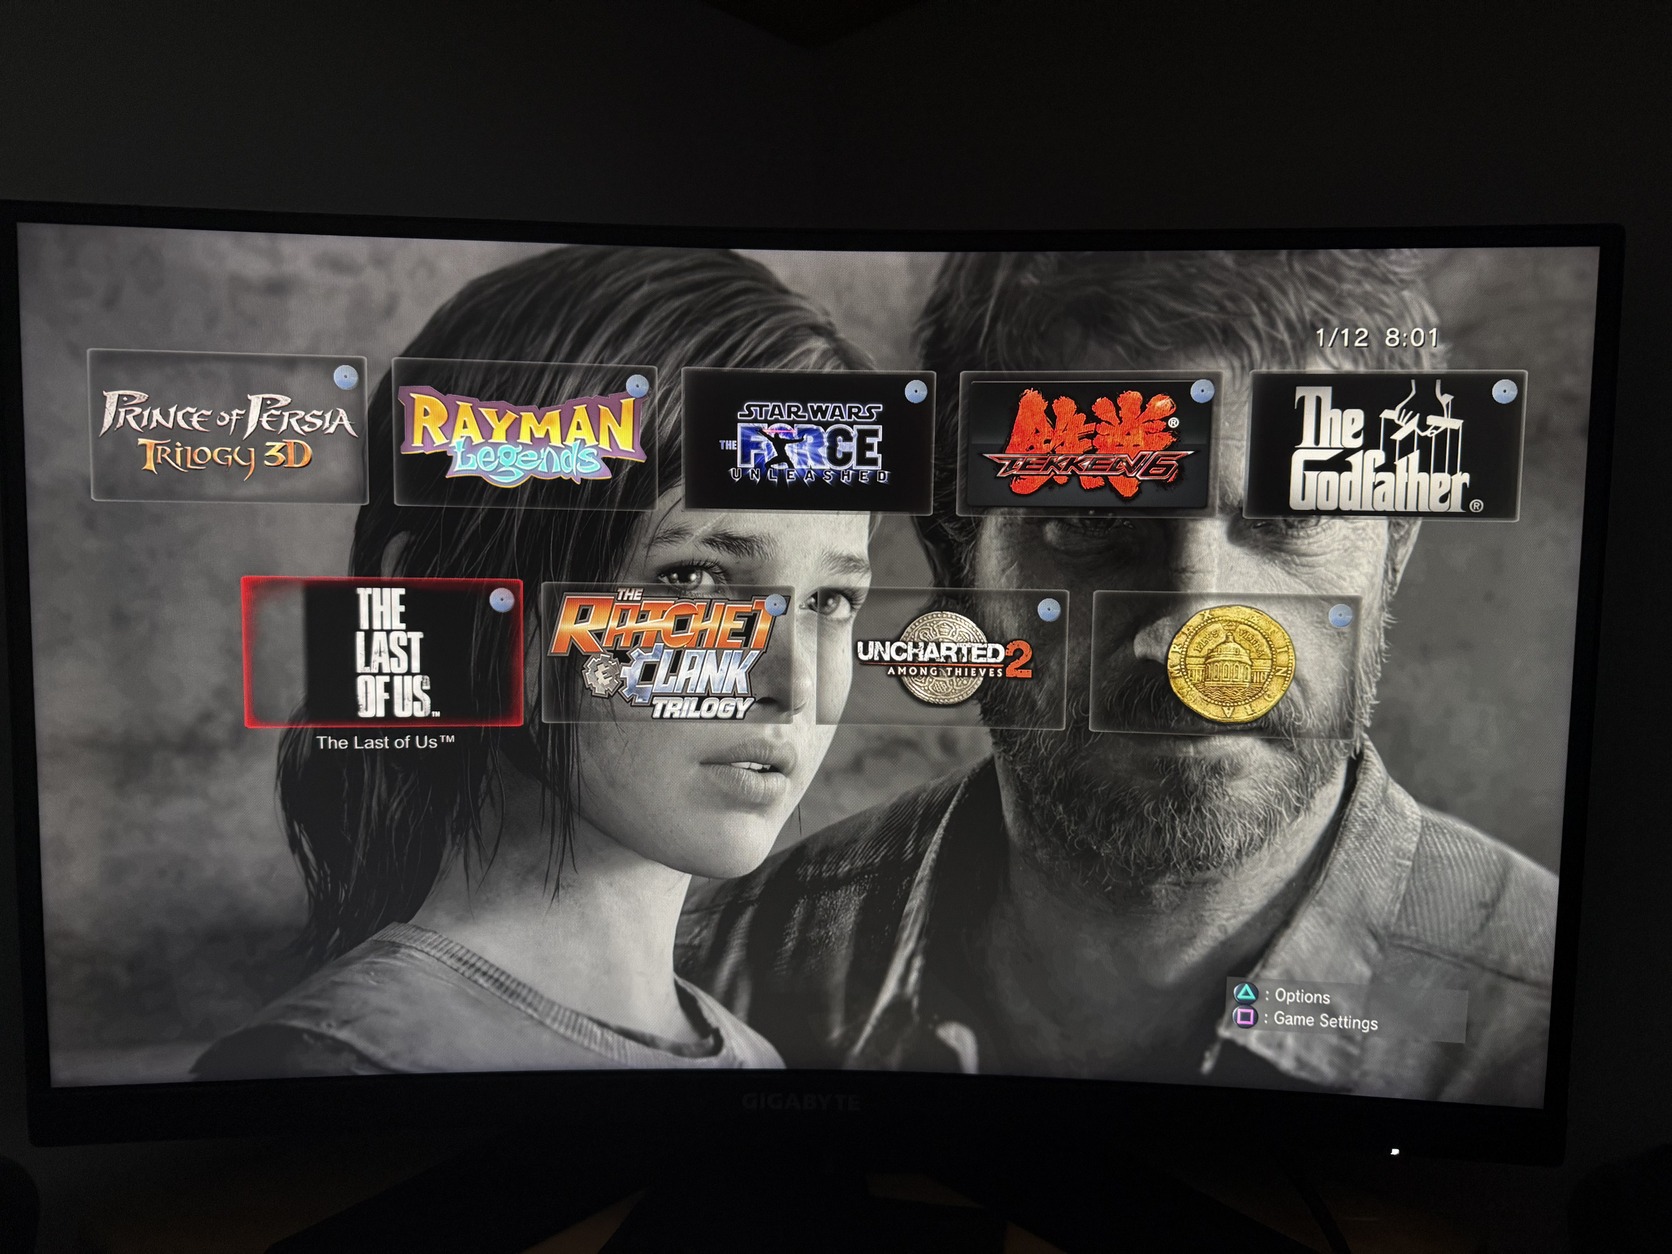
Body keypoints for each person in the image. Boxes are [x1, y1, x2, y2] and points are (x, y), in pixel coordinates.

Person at [678, 250, 1557, 1106]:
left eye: (1289, 518)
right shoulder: (712, 976)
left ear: (1394, 548)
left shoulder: (1538, 1021)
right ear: (955, 554)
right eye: (1093, 520)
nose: (1192, 634)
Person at [196, 246, 874, 1077]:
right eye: (693, 580)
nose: (793, 685)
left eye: (830, 600)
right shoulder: (336, 1066)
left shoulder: (755, 1061)